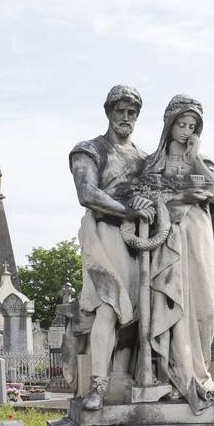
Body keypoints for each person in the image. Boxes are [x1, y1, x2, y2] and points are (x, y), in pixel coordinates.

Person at [68, 85, 155, 409]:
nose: (126, 117)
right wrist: (128, 209)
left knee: (136, 316)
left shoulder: (146, 160)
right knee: (109, 306)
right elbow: (87, 193)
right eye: (120, 110)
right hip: (104, 237)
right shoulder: (90, 149)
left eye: (132, 112)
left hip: (140, 243)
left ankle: (124, 379)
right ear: (108, 112)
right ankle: (97, 386)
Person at [141, 94, 214, 413]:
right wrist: (185, 194)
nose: (187, 131)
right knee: (177, 304)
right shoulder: (152, 165)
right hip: (170, 240)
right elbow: (146, 202)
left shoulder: (206, 163)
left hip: (199, 236)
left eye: (193, 126)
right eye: (182, 124)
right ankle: (178, 376)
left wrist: (196, 158)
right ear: (169, 124)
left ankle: (201, 374)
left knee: (203, 307)